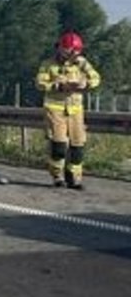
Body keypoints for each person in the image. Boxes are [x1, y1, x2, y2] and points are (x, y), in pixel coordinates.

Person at [35, 31, 100, 190]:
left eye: (76, 52)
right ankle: (57, 175)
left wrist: (85, 84)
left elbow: (96, 78)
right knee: (59, 145)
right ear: (61, 48)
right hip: (55, 109)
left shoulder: (82, 63)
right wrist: (58, 86)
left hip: (75, 110)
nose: (73, 55)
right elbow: (39, 83)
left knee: (78, 145)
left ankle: (74, 177)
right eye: (70, 51)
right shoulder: (48, 64)